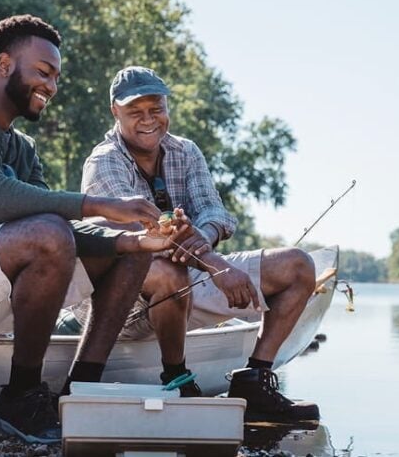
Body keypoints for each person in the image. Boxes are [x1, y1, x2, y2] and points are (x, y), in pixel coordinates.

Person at [0, 19, 187, 444]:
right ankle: (22, 395)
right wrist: (102, 205)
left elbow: (66, 229)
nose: (53, 85)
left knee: (127, 248)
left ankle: (82, 391)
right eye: (44, 72)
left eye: (56, 76)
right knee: (48, 232)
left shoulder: (23, 148)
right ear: (4, 64)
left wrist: (134, 239)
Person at [79, 66, 321, 422]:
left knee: (298, 265)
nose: (149, 120)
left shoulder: (185, 151)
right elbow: (148, 237)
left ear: (167, 107)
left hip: (189, 276)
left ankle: (254, 381)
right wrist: (217, 265)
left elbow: (216, 213)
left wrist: (202, 236)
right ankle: (176, 377)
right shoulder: (104, 161)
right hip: (121, 302)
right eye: (135, 112)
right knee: (165, 269)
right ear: (115, 112)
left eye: (156, 108)